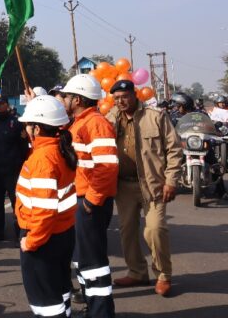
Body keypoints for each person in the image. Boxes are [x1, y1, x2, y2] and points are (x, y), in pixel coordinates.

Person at [106, 80, 181, 297]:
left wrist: (171, 181)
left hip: (153, 185)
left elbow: (174, 150)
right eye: (117, 98)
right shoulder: (110, 119)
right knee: (127, 231)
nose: (121, 101)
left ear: (135, 95)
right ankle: (137, 272)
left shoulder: (156, 117)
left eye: (125, 97)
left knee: (155, 229)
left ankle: (163, 275)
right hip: (123, 186)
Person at [61, 74, 118, 315]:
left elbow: (107, 166)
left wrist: (92, 200)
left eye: (65, 96)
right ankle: (91, 307)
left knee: (94, 264)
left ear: (77, 99)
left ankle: (101, 313)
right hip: (81, 199)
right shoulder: (77, 122)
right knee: (83, 260)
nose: (63, 99)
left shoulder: (95, 123)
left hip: (89, 201)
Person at [16, 96, 78, 318]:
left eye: (28, 124)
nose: (25, 129)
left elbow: (44, 211)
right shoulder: (59, 150)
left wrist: (31, 242)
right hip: (63, 233)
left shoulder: (43, 159)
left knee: (46, 302)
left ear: (37, 128)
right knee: (60, 291)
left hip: (43, 238)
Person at [0, 94, 28, 242]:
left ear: (6, 105)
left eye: (0, 103)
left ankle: (19, 234)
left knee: (17, 204)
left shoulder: (16, 123)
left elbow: (23, 148)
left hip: (12, 170)